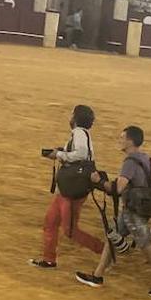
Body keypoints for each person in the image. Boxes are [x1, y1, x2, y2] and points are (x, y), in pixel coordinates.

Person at [74, 125, 151, 299]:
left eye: (122, 138)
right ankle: (97, 275)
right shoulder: (146, 159)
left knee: (145, 245)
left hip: (133, 211)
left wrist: (99, 181)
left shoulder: (130, 162)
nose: (119, 140)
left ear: (130, 141)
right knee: (112, 236)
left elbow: (118, 188)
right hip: (141, 207)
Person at [34, 104, 103, 269]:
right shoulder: (80, 134)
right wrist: (61, 152)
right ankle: (49, 259)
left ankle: (104, 250)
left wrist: (58, 154)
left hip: (71, 191)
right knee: (50, 222)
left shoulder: (79, 132)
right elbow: (79, 155)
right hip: (67, 189)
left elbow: (80, 154)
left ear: (76, 118)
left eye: (72, 114)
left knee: (70, 230)